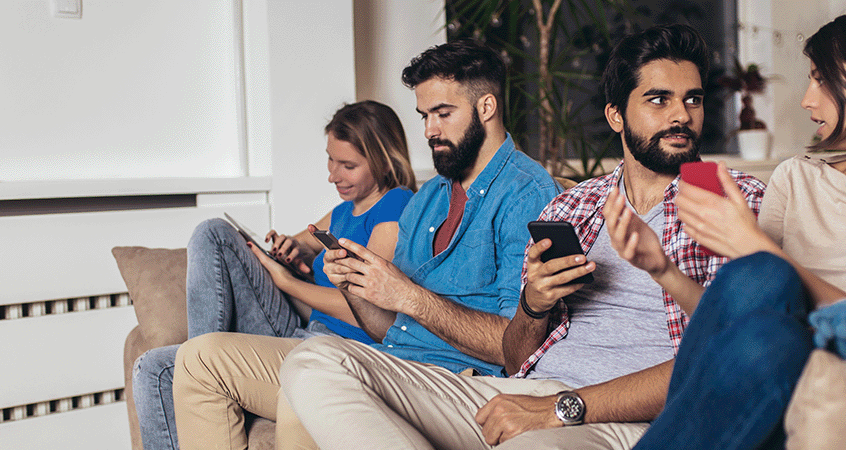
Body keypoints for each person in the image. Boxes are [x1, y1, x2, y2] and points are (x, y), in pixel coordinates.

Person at [277, 24, 765, 450]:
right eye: (659, 100)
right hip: (526, 390)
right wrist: (533, 303)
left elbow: (724, 353)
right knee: (315, 362)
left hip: (613, 414)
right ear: (616, 116)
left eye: (692, 100)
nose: (681, 115)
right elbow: (515, 355)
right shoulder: (575, 206)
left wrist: (562, 408)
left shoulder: (734, 202)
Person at [170, 40, 562, 449]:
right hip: (390, 358)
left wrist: (408, 295)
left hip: (454, 379)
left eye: (443, 114)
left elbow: (516, 347)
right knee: (200, 358)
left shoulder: (527, 196)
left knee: (312, 384)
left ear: (486, 107)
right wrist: (352, 283)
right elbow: (388, 326)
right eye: (424, 115)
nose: (429, 130)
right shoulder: (428, 199)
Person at [630, 4, 846, 449]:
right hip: (753, 368)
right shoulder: (797, 177)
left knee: (768, 317)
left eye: (820, 78)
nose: (806, 99)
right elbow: (732, 318)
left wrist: (754, 243)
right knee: (760, 285)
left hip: (838, 373)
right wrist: (662, 268)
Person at [131, 100, 417, 450]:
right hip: (301, 329)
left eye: (348, 165)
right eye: (331, 159)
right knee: (152, 366)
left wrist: (288, 283)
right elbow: (299, 243)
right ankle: (200, 361)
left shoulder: (396, 206)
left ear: (384, 160)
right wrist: (288, 251)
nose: (333, 175)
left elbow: (370, 312)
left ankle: (201, 368)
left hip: (337, 348)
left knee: (162, 369)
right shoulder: (343, 210)